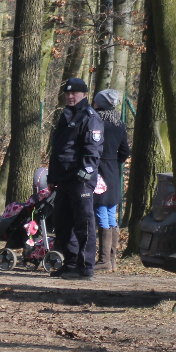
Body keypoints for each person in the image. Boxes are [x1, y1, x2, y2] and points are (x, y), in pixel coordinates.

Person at [48, 77, 104, 280]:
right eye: (68, 93)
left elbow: (93, 150)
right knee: (62, 223)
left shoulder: (90, 117)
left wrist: (84, 175)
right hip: (63, 179)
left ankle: (86, 267)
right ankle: (70, 263)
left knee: (84, 224)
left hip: (80, 181)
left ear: (84, 95)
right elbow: (58, 150)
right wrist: (53, 177)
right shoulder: (66, 115)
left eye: (75, 93)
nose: (70, 97)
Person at [92, 89, 130, 273]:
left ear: (99, 103)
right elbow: (125, 151)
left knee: (101, 211)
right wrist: (114, 162)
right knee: (110, 213)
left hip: (98, 170)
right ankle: (112, 260)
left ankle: (104, 260)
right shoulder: (119, 123)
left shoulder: (95, 122)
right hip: (113, 171)